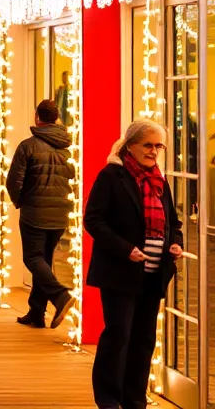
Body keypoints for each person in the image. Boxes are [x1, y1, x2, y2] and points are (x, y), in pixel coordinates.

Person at [85, 120, 183, 409]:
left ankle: (135, 399)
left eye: (158, 146)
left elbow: (173, 223)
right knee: (119, 335)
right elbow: (94, 220)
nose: (154, 151)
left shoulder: (159, 180)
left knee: (143, 339)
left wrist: (175, 243)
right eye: (148, 145)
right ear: (131, 145)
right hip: (120, 271)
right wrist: (125, 249)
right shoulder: (112, 176)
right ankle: (108, 398)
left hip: (154, 273)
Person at [6, 99, 76, 328]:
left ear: (38, 117)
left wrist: (19, 201)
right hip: (60, 212)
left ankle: (60, 296)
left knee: (32, 258)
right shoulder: (67, 148)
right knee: (43, 260)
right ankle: (36, 312)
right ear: (56, 118)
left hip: (35, 212)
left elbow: (13, 180)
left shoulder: (28, 146)